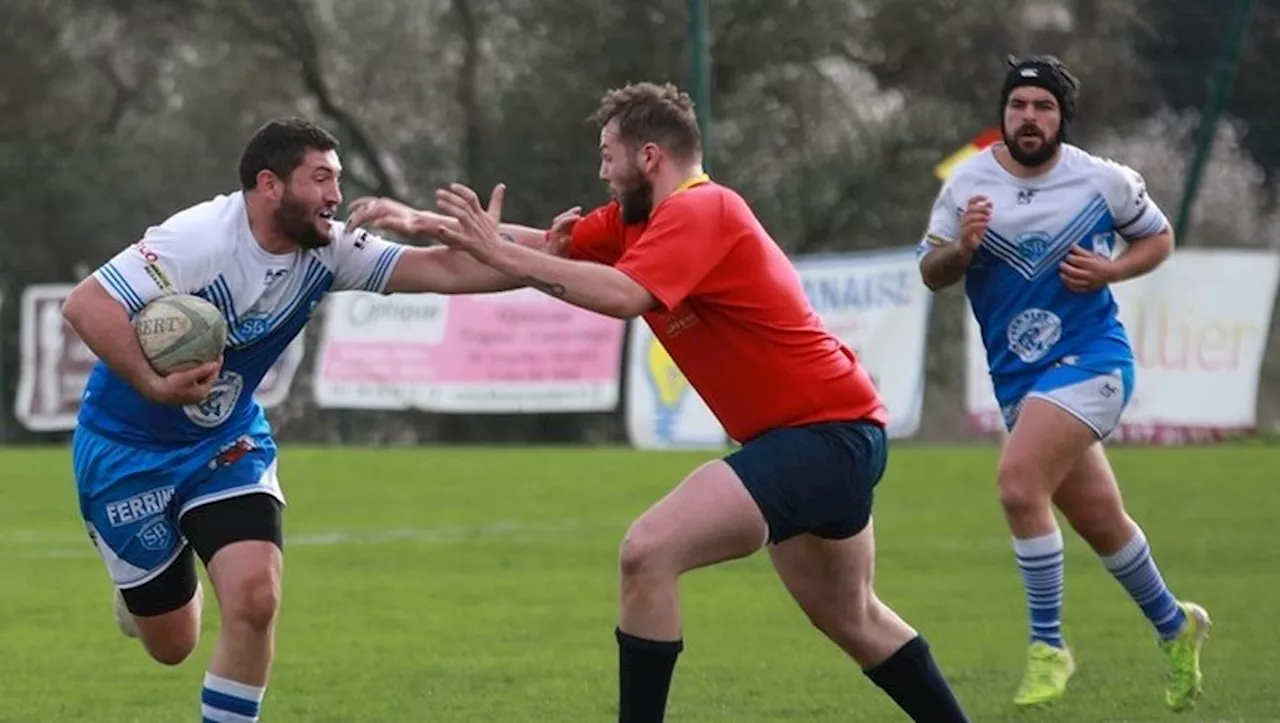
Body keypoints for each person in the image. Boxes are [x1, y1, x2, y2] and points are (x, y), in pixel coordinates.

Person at [349, 81, 971, 723]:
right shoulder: (637, 223)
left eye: (606, 154)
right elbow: (544, 250)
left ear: (649, 157)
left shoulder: (703, 211)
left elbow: (622, 295)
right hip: (831, 438)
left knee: (648, 551)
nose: (600, 171)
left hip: (821, 438)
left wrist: (497, 248)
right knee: (856, 618)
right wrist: (424, 224)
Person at [61, 117, 573, 722]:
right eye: (321, 178)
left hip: (224, 442)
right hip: (126, 450)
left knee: (255, 599)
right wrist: (155, 384)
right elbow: (86, 303)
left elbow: (447, 270)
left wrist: (549, 251)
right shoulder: (199, 239)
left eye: (338, 178)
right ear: (270, 185)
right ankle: (142, 593)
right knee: (173, 645)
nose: (335, 195)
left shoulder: (331, 248)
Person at [916, 55, 1211, 711]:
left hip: (1093, 360)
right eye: (1018, 105)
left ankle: (1049, 645)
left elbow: (1157, 239)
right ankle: (1175, 624)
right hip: (1020, 379)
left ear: (1061, 118)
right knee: (1102, 521)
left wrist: (1112, 272)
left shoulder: (1101, 181)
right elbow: (930, 271)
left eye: (1043, 106)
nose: (1028, 116)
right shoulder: (967, 184)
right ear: (1003, 114)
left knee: (1018, 484)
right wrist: (960, 251)